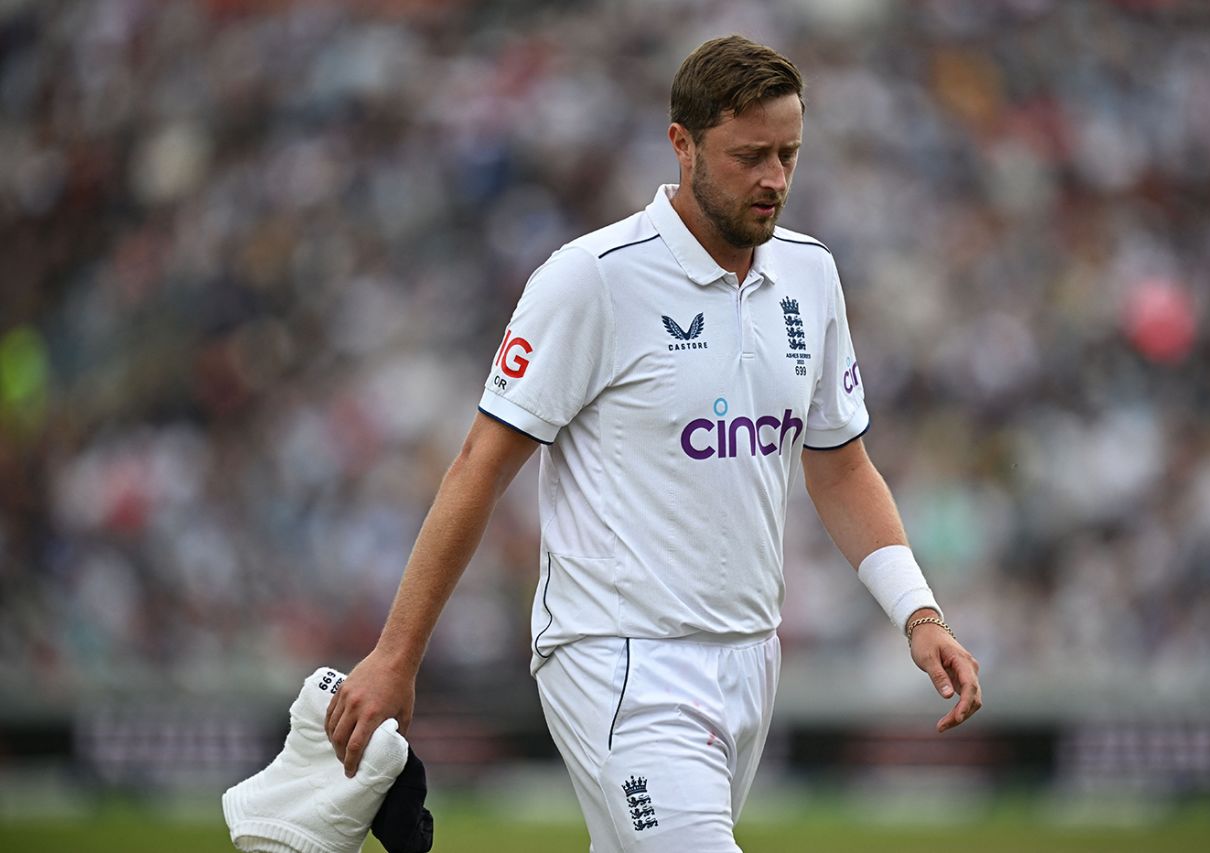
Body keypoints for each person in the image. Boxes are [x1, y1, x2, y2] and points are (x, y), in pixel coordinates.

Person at [325, 34, 982, 852]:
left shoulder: (811, 276)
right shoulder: (591, 277)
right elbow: (479, 467)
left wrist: (919, 612)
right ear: (682, 144)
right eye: (749, 156)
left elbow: (841, 465)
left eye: (789, 153)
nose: (774, 178)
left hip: (749, 655)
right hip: (617, 658)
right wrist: (396, 654)